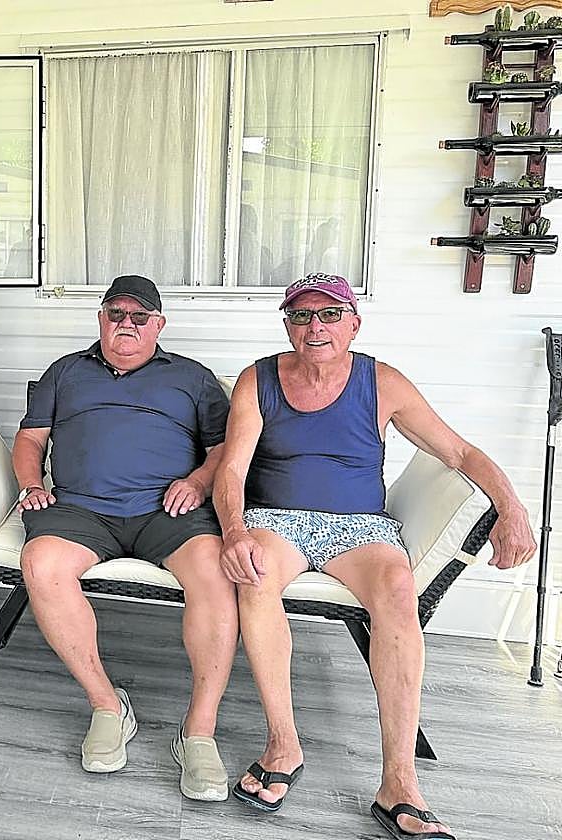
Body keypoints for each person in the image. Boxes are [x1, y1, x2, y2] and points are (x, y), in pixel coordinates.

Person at [212, 273, 536, 839]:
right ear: (287, 325)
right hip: (277, 521)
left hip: (360, 528)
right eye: (303, 316)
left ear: (354, 324)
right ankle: (283, 743)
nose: (316, 327)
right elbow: (233, 470)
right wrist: (236, 529)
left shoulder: (381, 382)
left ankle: (400, 783)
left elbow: (457, 449)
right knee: (255, 575)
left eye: (330, 314)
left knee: (397, 588)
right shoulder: (256, 379)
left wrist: (512, 508)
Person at [13, 274, 237, 801]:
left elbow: (224, 448)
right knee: (42, 563)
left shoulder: (193, 378)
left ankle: (198, 733)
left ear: (159, 325)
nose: (127, 326)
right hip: (82, 511)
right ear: (101, 319)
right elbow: (30, 438)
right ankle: (107, 705)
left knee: (213, 571)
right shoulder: (65, 372)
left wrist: (198, 481)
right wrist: (30, 483)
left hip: (169, 511)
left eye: (140, 318)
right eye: (117, 315)